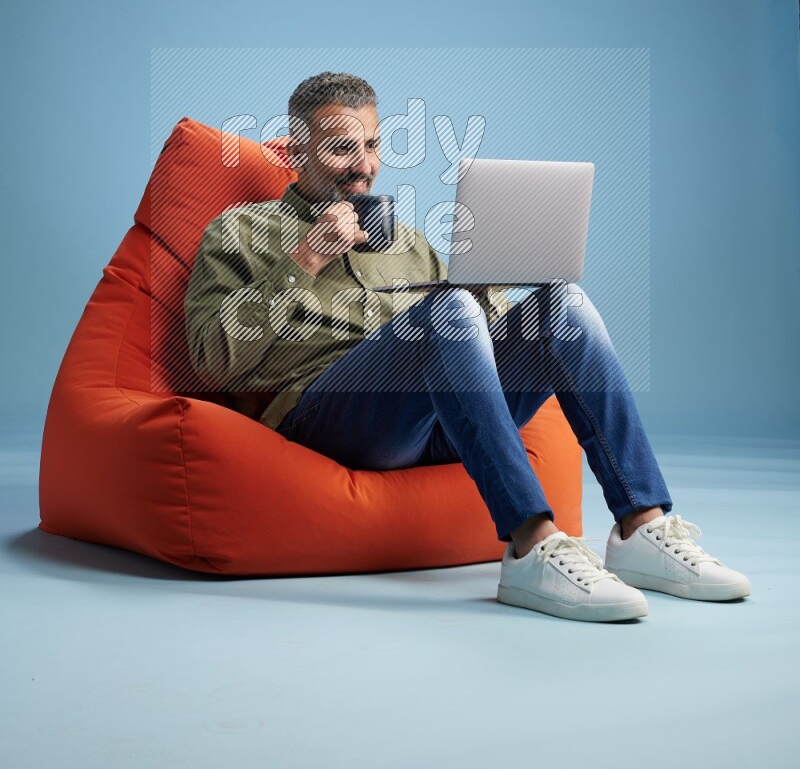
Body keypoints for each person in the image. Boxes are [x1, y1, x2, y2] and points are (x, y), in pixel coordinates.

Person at [184, 71, 751, 622]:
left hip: (443, 422)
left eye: (373, 145)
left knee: (564, 304)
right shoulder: (240, 232)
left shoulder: (407, 240)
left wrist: (486, 291)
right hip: (332, 418)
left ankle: (642, 527)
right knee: (447, 312)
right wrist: (306, 258)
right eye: (340, 149)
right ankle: (531, 545)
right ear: (295, 153)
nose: (364, 166)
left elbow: (474, 343)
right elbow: (211, 361)